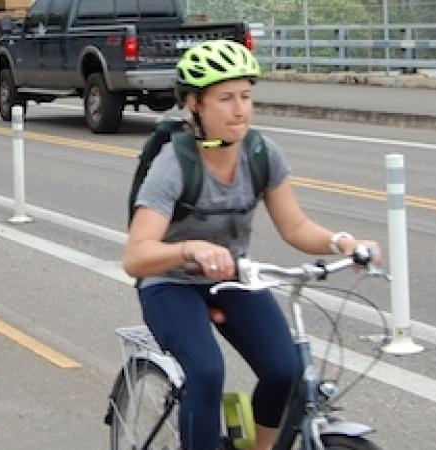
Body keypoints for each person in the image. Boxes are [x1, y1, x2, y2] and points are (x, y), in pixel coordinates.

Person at [121, 40, 381, 450]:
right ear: (195, 104)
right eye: (225, 98)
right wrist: (189, 249)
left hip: (233, 277)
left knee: (286, 371)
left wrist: (340, 242)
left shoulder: (262, 154)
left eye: (245, 96)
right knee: (206, 373)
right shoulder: (172, 166)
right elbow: (136, 257)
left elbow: (294, 226)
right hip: (169, 283)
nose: (239, 108)